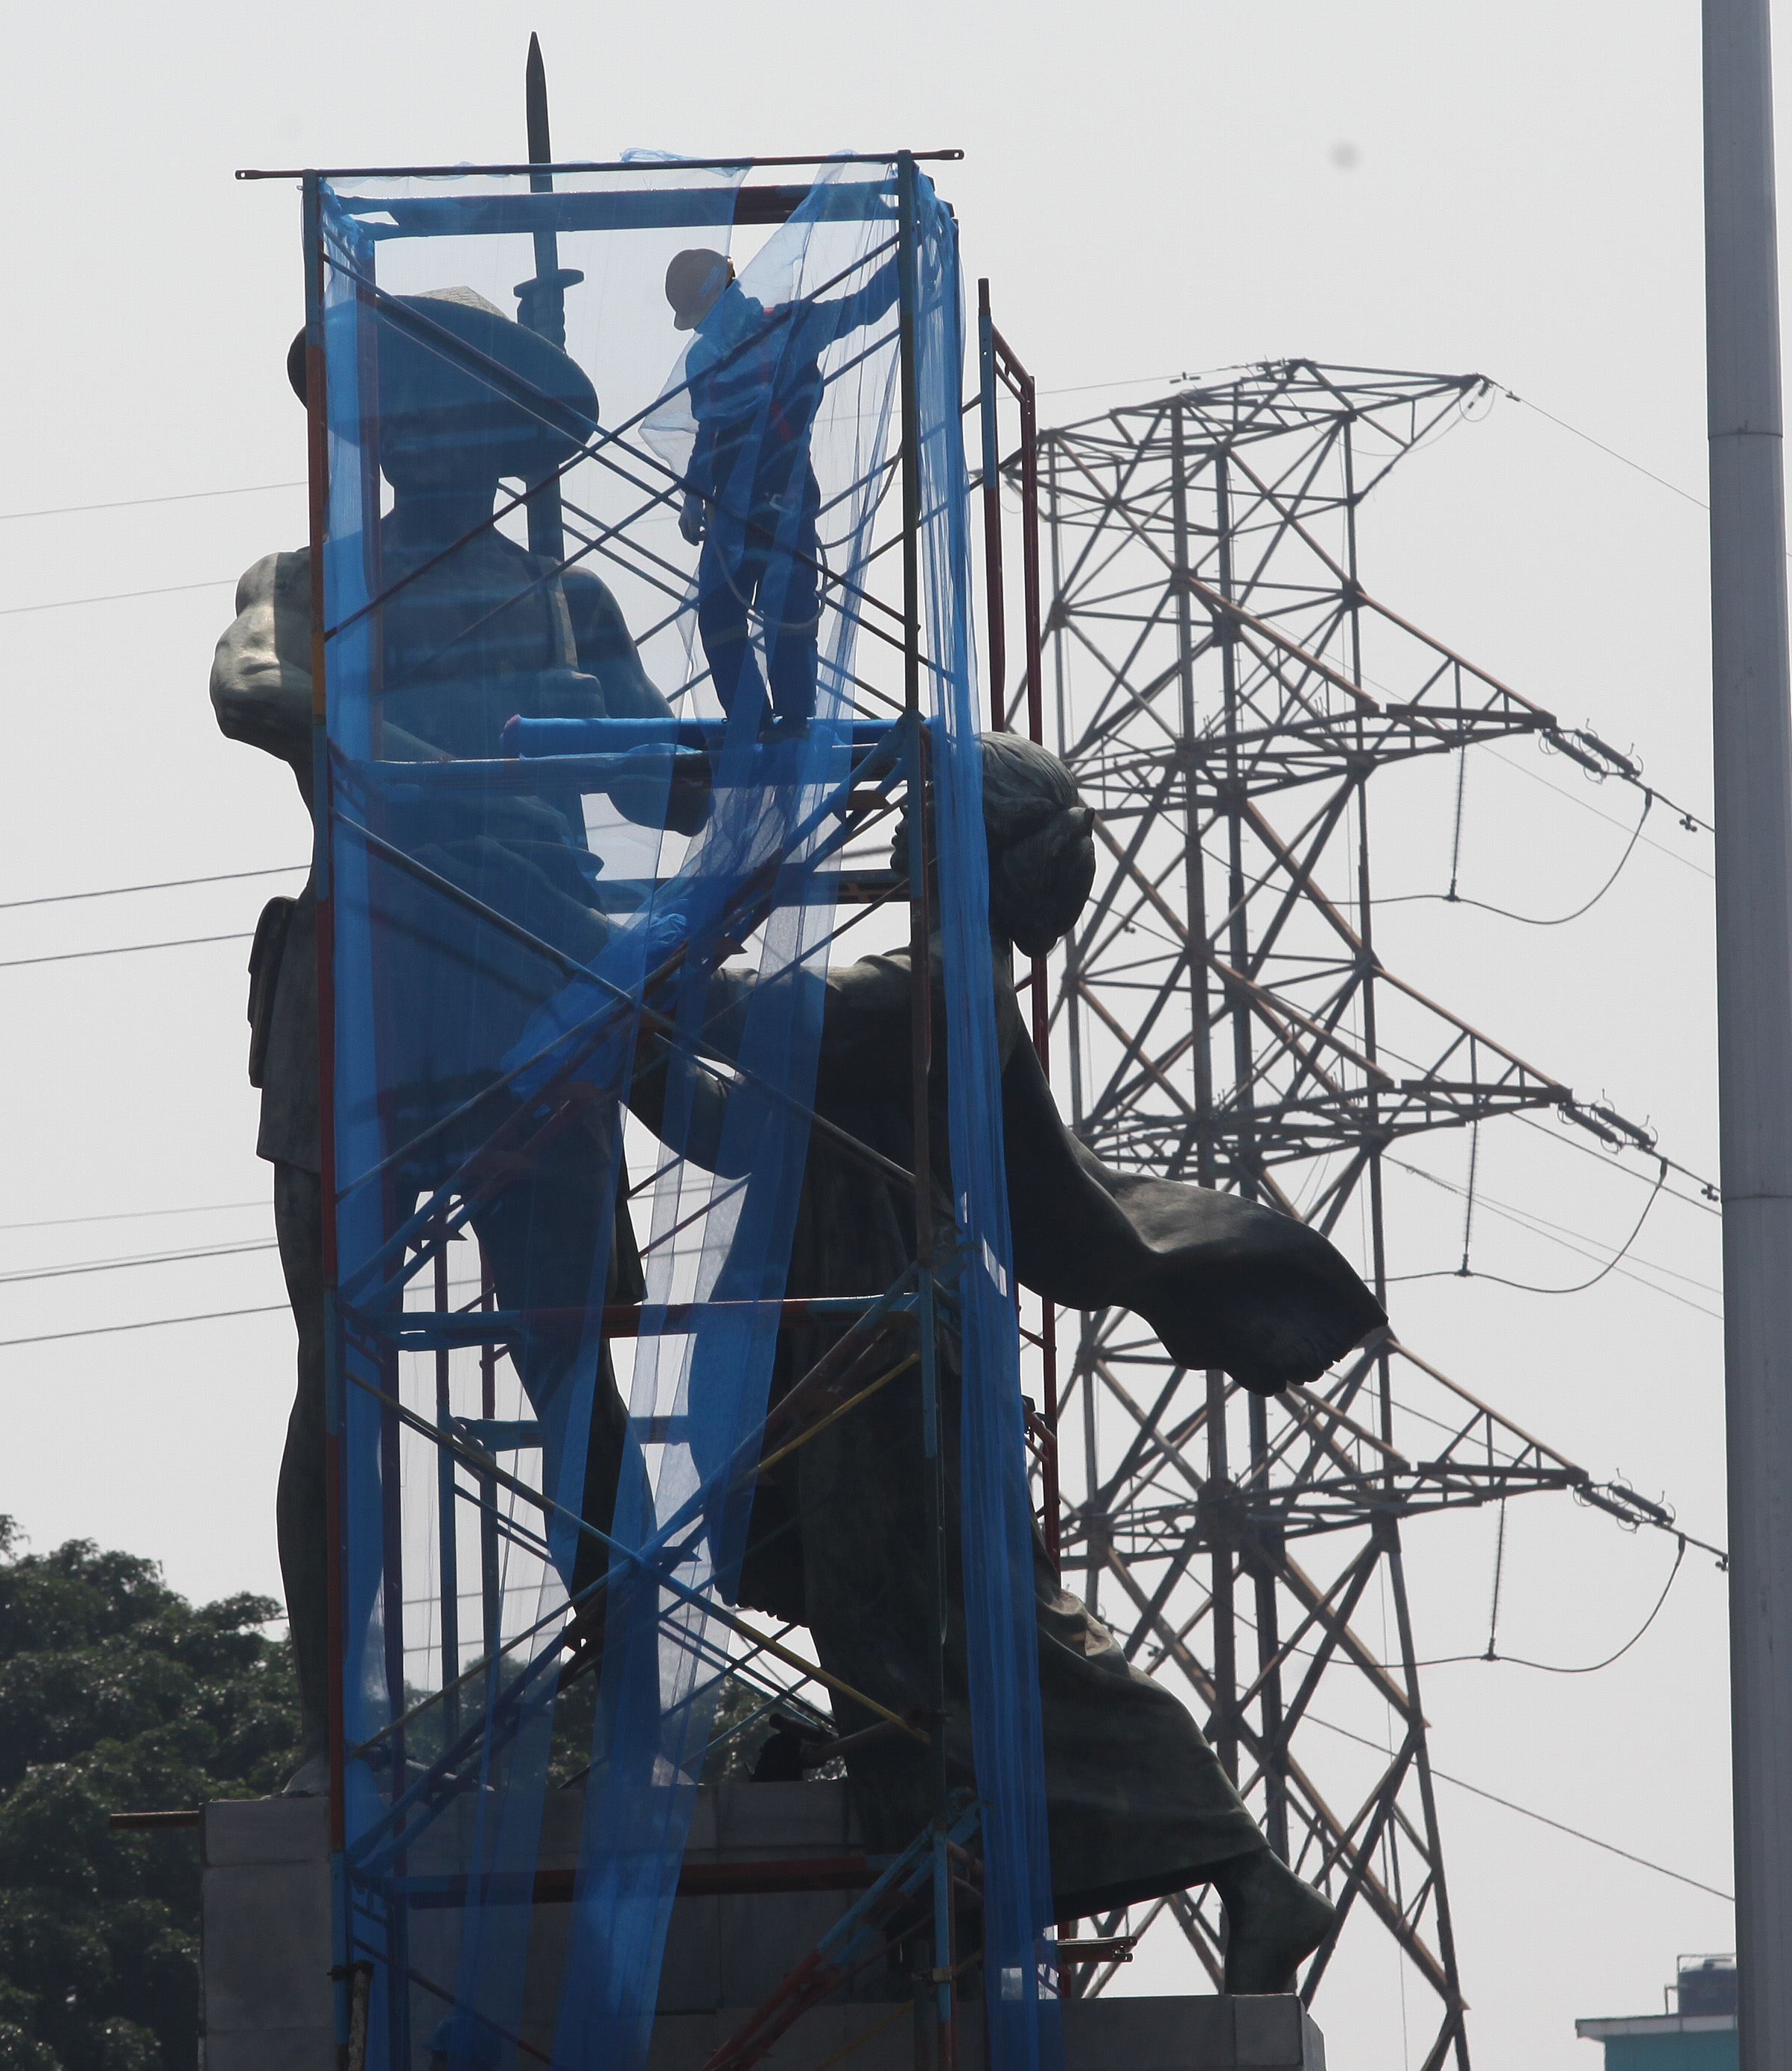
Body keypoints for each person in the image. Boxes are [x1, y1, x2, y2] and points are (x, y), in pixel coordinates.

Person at [623, 733, 1377, 1990]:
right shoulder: (929, 984)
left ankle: (1240, 1866)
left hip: (889, 1349)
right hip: (846, 1334)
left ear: (958, 843)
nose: (897, 832)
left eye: (920, 811)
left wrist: (666, 931)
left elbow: (755, 1027)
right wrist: (645, 1030)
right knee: (887, 1630)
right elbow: (726, 1125)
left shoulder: (927, 984)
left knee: (981, 1628)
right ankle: (954, 1870)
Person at [211, 287, 707, 1788]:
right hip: (359, 992)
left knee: (564, 1360)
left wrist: (615, 727)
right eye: (396, 405)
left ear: (504, 437)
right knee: (335, 1367)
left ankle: (632, 1713)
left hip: (524, 987)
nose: (419, 437)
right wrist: (441, 759)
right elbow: (258, 689)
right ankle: (327, 1735)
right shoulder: (301, 582)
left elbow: (674, 792)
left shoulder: (573, 604)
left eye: (452, 408)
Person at [666, 245, 903, 736]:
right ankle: (751, 720)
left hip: (783, 498)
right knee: (719, 613)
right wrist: (693, 494)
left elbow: (863, 306)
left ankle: (794, 719)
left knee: (788, 613)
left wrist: (909, 251)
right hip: (732, 509)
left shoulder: (790, 327)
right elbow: (708, 436)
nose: (703, 329)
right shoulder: (706, 359)